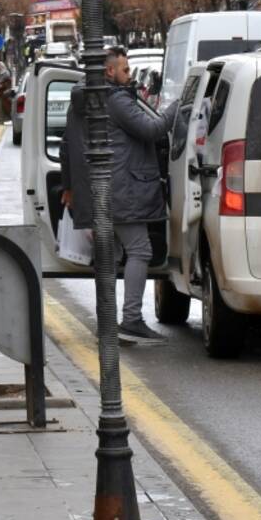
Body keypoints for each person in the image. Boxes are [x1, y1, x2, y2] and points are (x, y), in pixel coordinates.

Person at [59, 46, 180, 344]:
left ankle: (107, 323)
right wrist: (178, 107)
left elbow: (65, 145)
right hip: (122, 191)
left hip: (97, 191)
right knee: (140, 250)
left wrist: (70, 187)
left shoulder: (81, 98)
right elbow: (152, 129)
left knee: (108, 257)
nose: (130, 76)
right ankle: (132, 319)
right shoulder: (115, 101)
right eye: (125, 70)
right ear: (110, 72)